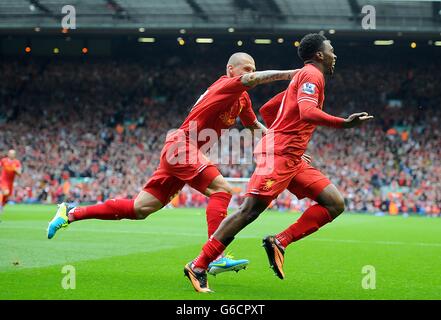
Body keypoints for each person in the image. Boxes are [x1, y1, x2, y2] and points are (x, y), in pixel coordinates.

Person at [47, 52, 298, 276]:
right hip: (182, 146)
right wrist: (291, 74)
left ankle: (70, 212)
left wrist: (279, 143)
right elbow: (251, 82)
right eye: (246, 68)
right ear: (230, 70)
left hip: (184, 152)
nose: (251, 73)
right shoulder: (225, 85)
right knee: (222, 189)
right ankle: (215, 256)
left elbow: (253, 126)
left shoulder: (242, 100)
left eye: (254, 69)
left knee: (140, 209)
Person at [184, 33, 373, 293]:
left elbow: (269, 110)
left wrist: (283, 135)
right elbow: (306, 112)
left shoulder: (302, 77)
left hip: (290, 155)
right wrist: (345, 123)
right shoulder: (312, 75)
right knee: (249, 211)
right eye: (331, 50)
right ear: (319, 54)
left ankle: (279, 242)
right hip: (280, 155)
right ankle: (199, 265)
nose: (334, 55)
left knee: (334, 203)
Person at [0, 149, 22, 214]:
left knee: (7, 196)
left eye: (13, 154)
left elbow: (19, 173)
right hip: (3, 180)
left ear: (15, 155)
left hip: (10, 182)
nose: (11, 155)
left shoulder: (17, 162)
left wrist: (15, 169)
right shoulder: (3, 160)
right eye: (10, 153)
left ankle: (2, 206)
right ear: (8, 154)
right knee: (6, 192)